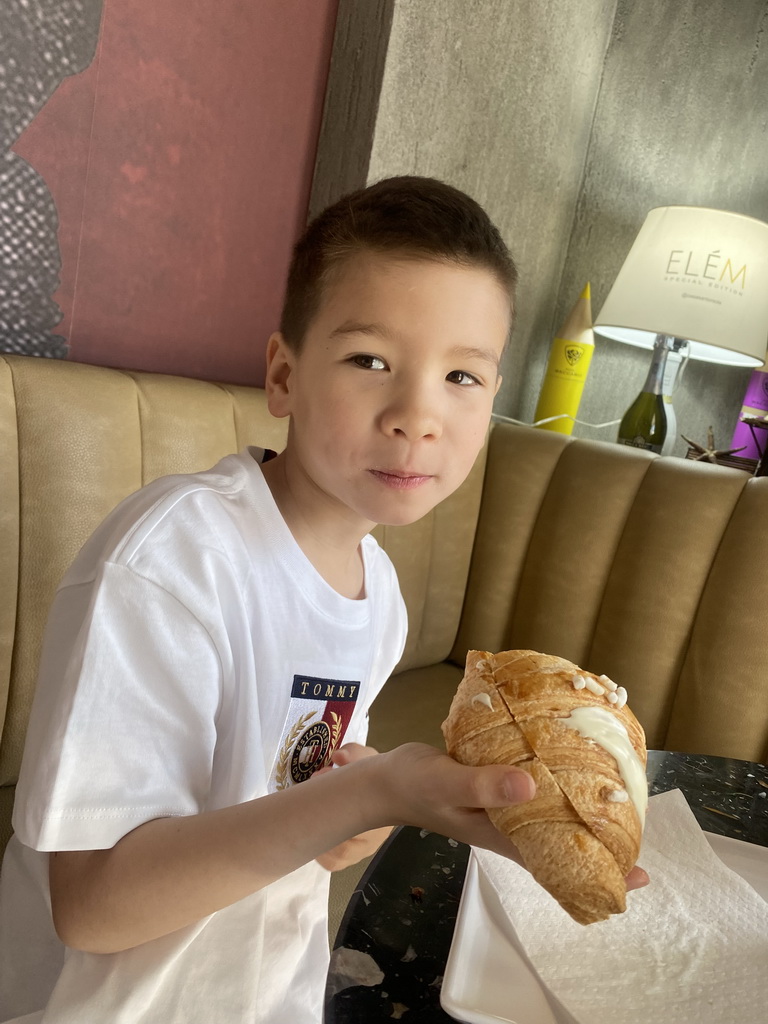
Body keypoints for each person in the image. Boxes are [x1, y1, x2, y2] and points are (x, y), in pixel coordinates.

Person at [0, 176, 646, 1024]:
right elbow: (91, 908)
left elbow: (293, 800)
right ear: (283, 376)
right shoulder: (173, 561)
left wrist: (352, 823)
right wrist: (369, 797)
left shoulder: (380, 599)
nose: (418, 414)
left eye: (462, 375)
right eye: (370, 360)